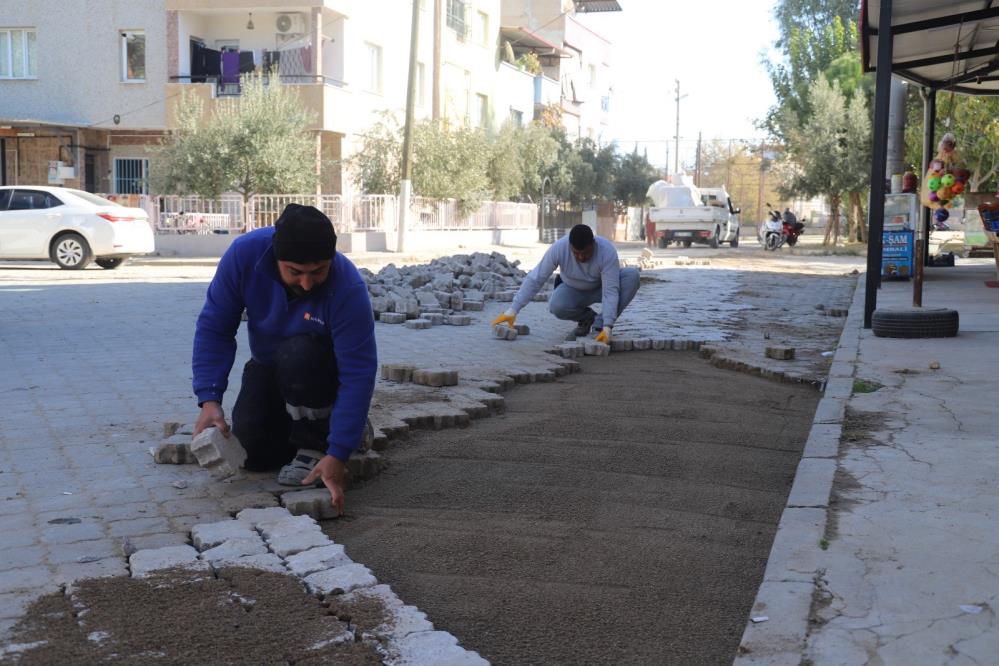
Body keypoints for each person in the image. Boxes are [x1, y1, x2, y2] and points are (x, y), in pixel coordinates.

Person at [191, 204, 377, 514]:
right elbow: (215, 328)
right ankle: (331, 431)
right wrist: (209, 398)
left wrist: (338, 452)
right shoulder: (244, 257)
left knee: (299, 354)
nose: (306, 283)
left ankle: (320, 443)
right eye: (295, 272)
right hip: (269, 365)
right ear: (277, 259)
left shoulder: (348, 288)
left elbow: (358, 373)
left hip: (317, 372)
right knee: (254, 453)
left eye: (317, 272)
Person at [492, 224, 640, 343]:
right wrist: (513, 310)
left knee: (632, 276)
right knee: (556, 305)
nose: (581, 257)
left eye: (586, 253)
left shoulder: (606, 251)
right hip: (572, 289)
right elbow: (536, 278)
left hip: (600, 287)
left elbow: (610, 291)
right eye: (576, 253)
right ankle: (586, 318)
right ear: (570, 246)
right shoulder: (559, 248)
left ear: (593, 244)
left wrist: (608, 325)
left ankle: (600, 325)